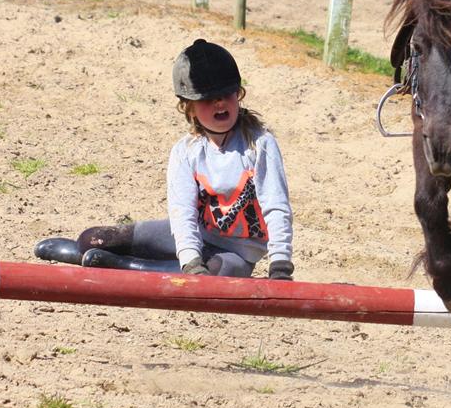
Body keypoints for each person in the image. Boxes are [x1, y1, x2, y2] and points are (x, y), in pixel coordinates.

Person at [34, 39, 294, 280]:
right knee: (92, 240)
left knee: (217, 273)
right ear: (188, 106)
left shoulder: (260, 144)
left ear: (238, 94)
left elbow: (276, 206)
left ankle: (120, 266)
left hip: (237, 254)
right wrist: (191, 259)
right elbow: (183, 212)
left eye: (226, 95)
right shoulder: (186, 150)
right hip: (199, 237)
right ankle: (83, 254)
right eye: (207, 99)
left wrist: (280, 265)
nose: (219, 104)